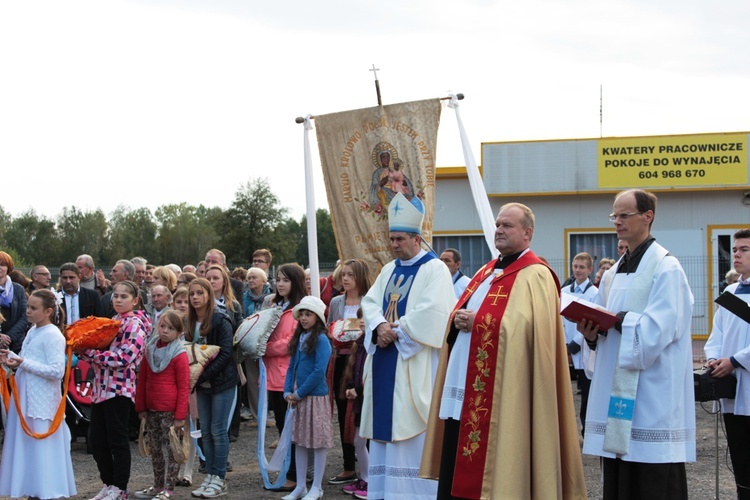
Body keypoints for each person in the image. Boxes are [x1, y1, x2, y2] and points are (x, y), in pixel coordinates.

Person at [421, 202, 586, 499]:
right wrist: (457, 320)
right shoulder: (486, 271)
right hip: (463, 382)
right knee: (457, 452)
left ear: (527, 233)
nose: (499, 230)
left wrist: (480, 321)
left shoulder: (536, 275)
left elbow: (531, 330)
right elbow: (469, 312)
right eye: (498, 224)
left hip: (505, 393)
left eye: (507, 225)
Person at [578, 189, 695, 498]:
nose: (617, 221)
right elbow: (606, 328)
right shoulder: (613, 273)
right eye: (614, 215)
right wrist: (593, 334)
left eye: (624, 215)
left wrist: (619, 320)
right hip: (616, 391)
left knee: (652, 478)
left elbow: (659, 330)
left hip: (652, 394)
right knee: (619, 476)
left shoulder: (666, 269)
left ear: (648, 216)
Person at [360, 192, 455, 499]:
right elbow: (370, 302)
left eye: (399, 239)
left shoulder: (435, 269)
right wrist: (378, 326)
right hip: (387, 360)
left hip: (414, 365)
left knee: (413, 431)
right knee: (387, 435)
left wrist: (396, 331)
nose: (394, 245)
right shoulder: (388, 270)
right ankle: (385, 492)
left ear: (416, 239)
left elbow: (435, 312)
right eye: (391, 239)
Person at [0, 289, 77, 499]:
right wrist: (13, 358)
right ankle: (32, 488)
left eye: (34, 308)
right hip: (26, 396)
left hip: (41, 401)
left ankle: (45, 490)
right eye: (28, 307)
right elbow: (30, 359)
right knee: (28, 448)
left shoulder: (53, 335)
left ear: (48, 311)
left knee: (41, 448)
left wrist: (24, 362)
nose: (28, 312)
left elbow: (56, 371)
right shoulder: (33, 330)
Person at [83, 280, 150, 500]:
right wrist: (84, 350)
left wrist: (92, 355)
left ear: (135, 300)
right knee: (97, 441)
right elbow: (101, 352)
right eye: (116, 296)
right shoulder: (112, 321)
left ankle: (120, 488)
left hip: (119, 389)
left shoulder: (135, 324)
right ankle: (108, 482)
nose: (118, 300)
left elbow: (125, 357)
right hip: (101, 388)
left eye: (124, 296)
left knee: (117, 440)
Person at [705, 228, 750, 499]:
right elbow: (716, 334)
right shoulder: (730, 292)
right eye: (734, 250)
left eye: (744, 249)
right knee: (740, 456)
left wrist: (735, 360)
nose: (737, 254)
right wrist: (713, 358)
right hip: (732, 389)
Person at [186, 279, 238, 498]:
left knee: (218, 430)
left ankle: (219, 477)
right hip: (202, 385)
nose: (195, 297)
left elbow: (226, 353)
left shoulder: (220, 320)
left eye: (200, 293)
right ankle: (209, 474)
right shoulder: (189, 323)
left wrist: (201, 375)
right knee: (205, 431)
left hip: (221, 382)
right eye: (192, 294)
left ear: (209, 295)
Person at [281, 296, 334, 500]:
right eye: (301, 314)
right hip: (298, 397)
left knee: (318, 442)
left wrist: (299, 393)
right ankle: (300, 486)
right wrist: (287, 390)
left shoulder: (321, 339)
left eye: (308, 314)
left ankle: (317, 486)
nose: (303, 318)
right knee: (300, 441)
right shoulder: (300, 338)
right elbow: (292, 366)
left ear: (317, 317)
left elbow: (319, 371)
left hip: (314, 397)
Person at [134, 310, 190, 500]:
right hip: (151, 409)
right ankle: (158, 485)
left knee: (173, 450)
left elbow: (184, 387)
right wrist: (141, 407)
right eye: (163, 326)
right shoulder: (149, 350)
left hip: (170, 411)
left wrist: (180, 417)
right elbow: (142, 380)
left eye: (171, 328)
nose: (165, 331)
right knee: (155, 448)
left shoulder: (179, 354)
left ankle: (169, 487)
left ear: (180, 332)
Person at [326, 259, 371, 486]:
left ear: (361, 277)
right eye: (343, 274)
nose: (345, 279)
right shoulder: (336, 301)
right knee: (344, 412)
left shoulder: (370, 301)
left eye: (350, 275)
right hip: (341, 361)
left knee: (364, 413)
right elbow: (330, 328)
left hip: (363, 361)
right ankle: (348, 466)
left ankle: (370, 467)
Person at [263, 263, 307, 491]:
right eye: (278, 279)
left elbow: (291, 341)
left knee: (292, 428)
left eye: (285, 280)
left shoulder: (300, 309)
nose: (280, 284)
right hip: (272, 375)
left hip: (289, 376)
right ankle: (291, 471)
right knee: (282, 426)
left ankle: (295, 475)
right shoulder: (275, 307)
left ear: (295, 282)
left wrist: (265, 347)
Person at [562, 251, 598, 437]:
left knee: (586, 392)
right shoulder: (564, 291)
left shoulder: (595, 294)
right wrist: (562, 343)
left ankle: (587, 430)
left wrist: (574, 344)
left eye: (582, 267)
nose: (577, 270)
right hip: (563, 345)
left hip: (582, 346)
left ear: (590, 270)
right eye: (575, 266)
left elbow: (592, 322)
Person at [341, 308, 369, 499]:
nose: (361, 321)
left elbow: (372, 374)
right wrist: (351, 386)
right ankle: (365, 477)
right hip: (360, 398)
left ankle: (370, 480)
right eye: (360, 318)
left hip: (369, 399)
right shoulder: (359, 344)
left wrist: (359, 389)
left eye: (365, 318)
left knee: (364, 441)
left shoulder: (374, 344)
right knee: (358, 440)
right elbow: (355, 369)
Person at [240, 266, 272, 423]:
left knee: (268, 377)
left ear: (263, 280)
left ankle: (269, 411)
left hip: (268, 342)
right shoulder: (244, 297)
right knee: (252, 379)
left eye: (254, 277)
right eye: (249, 278)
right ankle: (256, 413)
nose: (251, 280)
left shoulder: (271, 296)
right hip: (249, 342)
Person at [0, 251, 29, 353]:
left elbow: (25, 315)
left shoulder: (18, 289)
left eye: (2, 265)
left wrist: (9, 337)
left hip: (15, 344)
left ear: (8, 268)